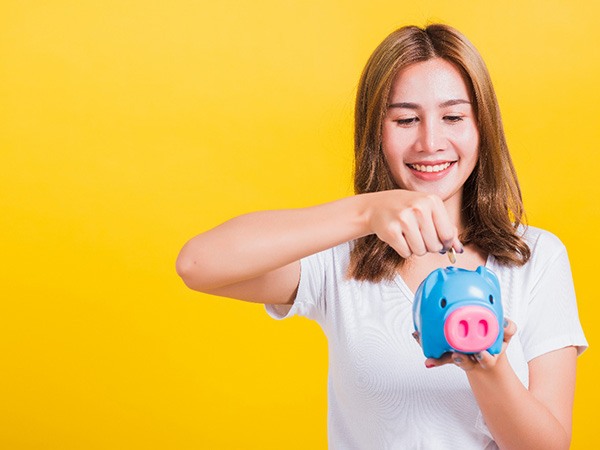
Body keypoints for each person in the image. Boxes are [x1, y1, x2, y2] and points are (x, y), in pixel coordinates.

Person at [176, 24, 587, 449]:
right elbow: (197, 265)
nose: (430, 142)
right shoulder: (339, 257)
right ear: (376, 130)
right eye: (406, 119)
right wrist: (366, 212)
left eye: (453, 117)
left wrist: (486, 367)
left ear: (481, 127)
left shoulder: (535, 258)